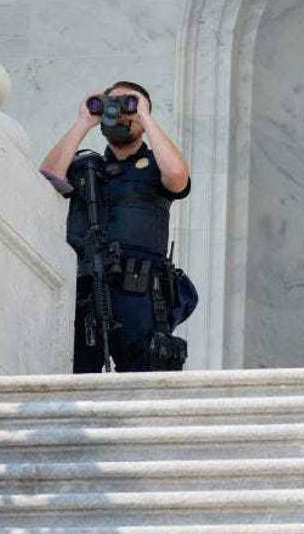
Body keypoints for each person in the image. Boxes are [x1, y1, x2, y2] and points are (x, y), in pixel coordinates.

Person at [39, 81, 193, 372]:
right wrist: (84, 121)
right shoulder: (88, 169)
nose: (121, 113)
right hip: (88, 294)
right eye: (113, 105)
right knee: (78, 383)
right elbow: (48, 177)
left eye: (129, 106)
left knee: (144, 389)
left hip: (141, 298)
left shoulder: (155, 165)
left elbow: (178, 176)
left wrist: (145, 117)